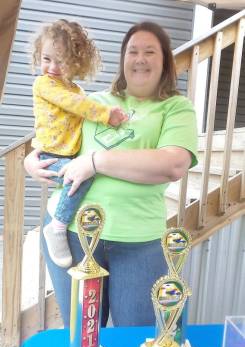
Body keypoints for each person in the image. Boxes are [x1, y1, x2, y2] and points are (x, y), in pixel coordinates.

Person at [24, 21, 198, 328]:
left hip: (138, 244)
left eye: (149, 51)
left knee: (135, 338)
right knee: (82, 339)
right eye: (133, 51)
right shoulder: (95, 102)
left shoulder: (176, 108)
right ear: (123, 58)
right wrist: (31, 160)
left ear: (165, 60)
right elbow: (56, 136)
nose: (140, 58)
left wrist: (96, 161)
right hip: (72, 235)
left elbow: (172, 164)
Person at [29, 19, 127, 268]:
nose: (52, 67)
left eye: (60, 61)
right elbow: (75, 106)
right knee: (82, 176)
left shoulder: (76, 89)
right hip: (49, 155)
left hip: (67, 154)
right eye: (46, 58)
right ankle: (58, 226)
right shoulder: (45, 85)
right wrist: (107, 114)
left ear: (76, 61)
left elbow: (81, 109)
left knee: (85, 173)